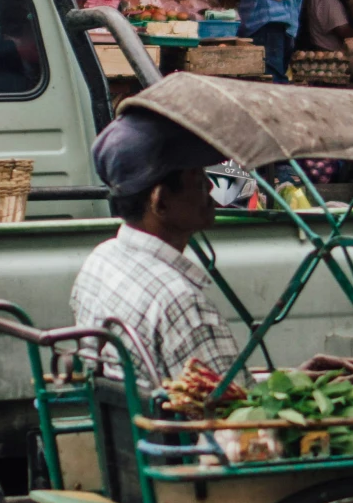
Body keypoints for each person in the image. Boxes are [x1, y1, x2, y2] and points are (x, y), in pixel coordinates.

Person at [72, 106, 237, 383]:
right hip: (183, 425)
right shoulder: (180, 301)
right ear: (160, 201)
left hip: (134, 420)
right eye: (197, 179)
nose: (209, 187)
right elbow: (230, 410)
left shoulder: (101, 259)